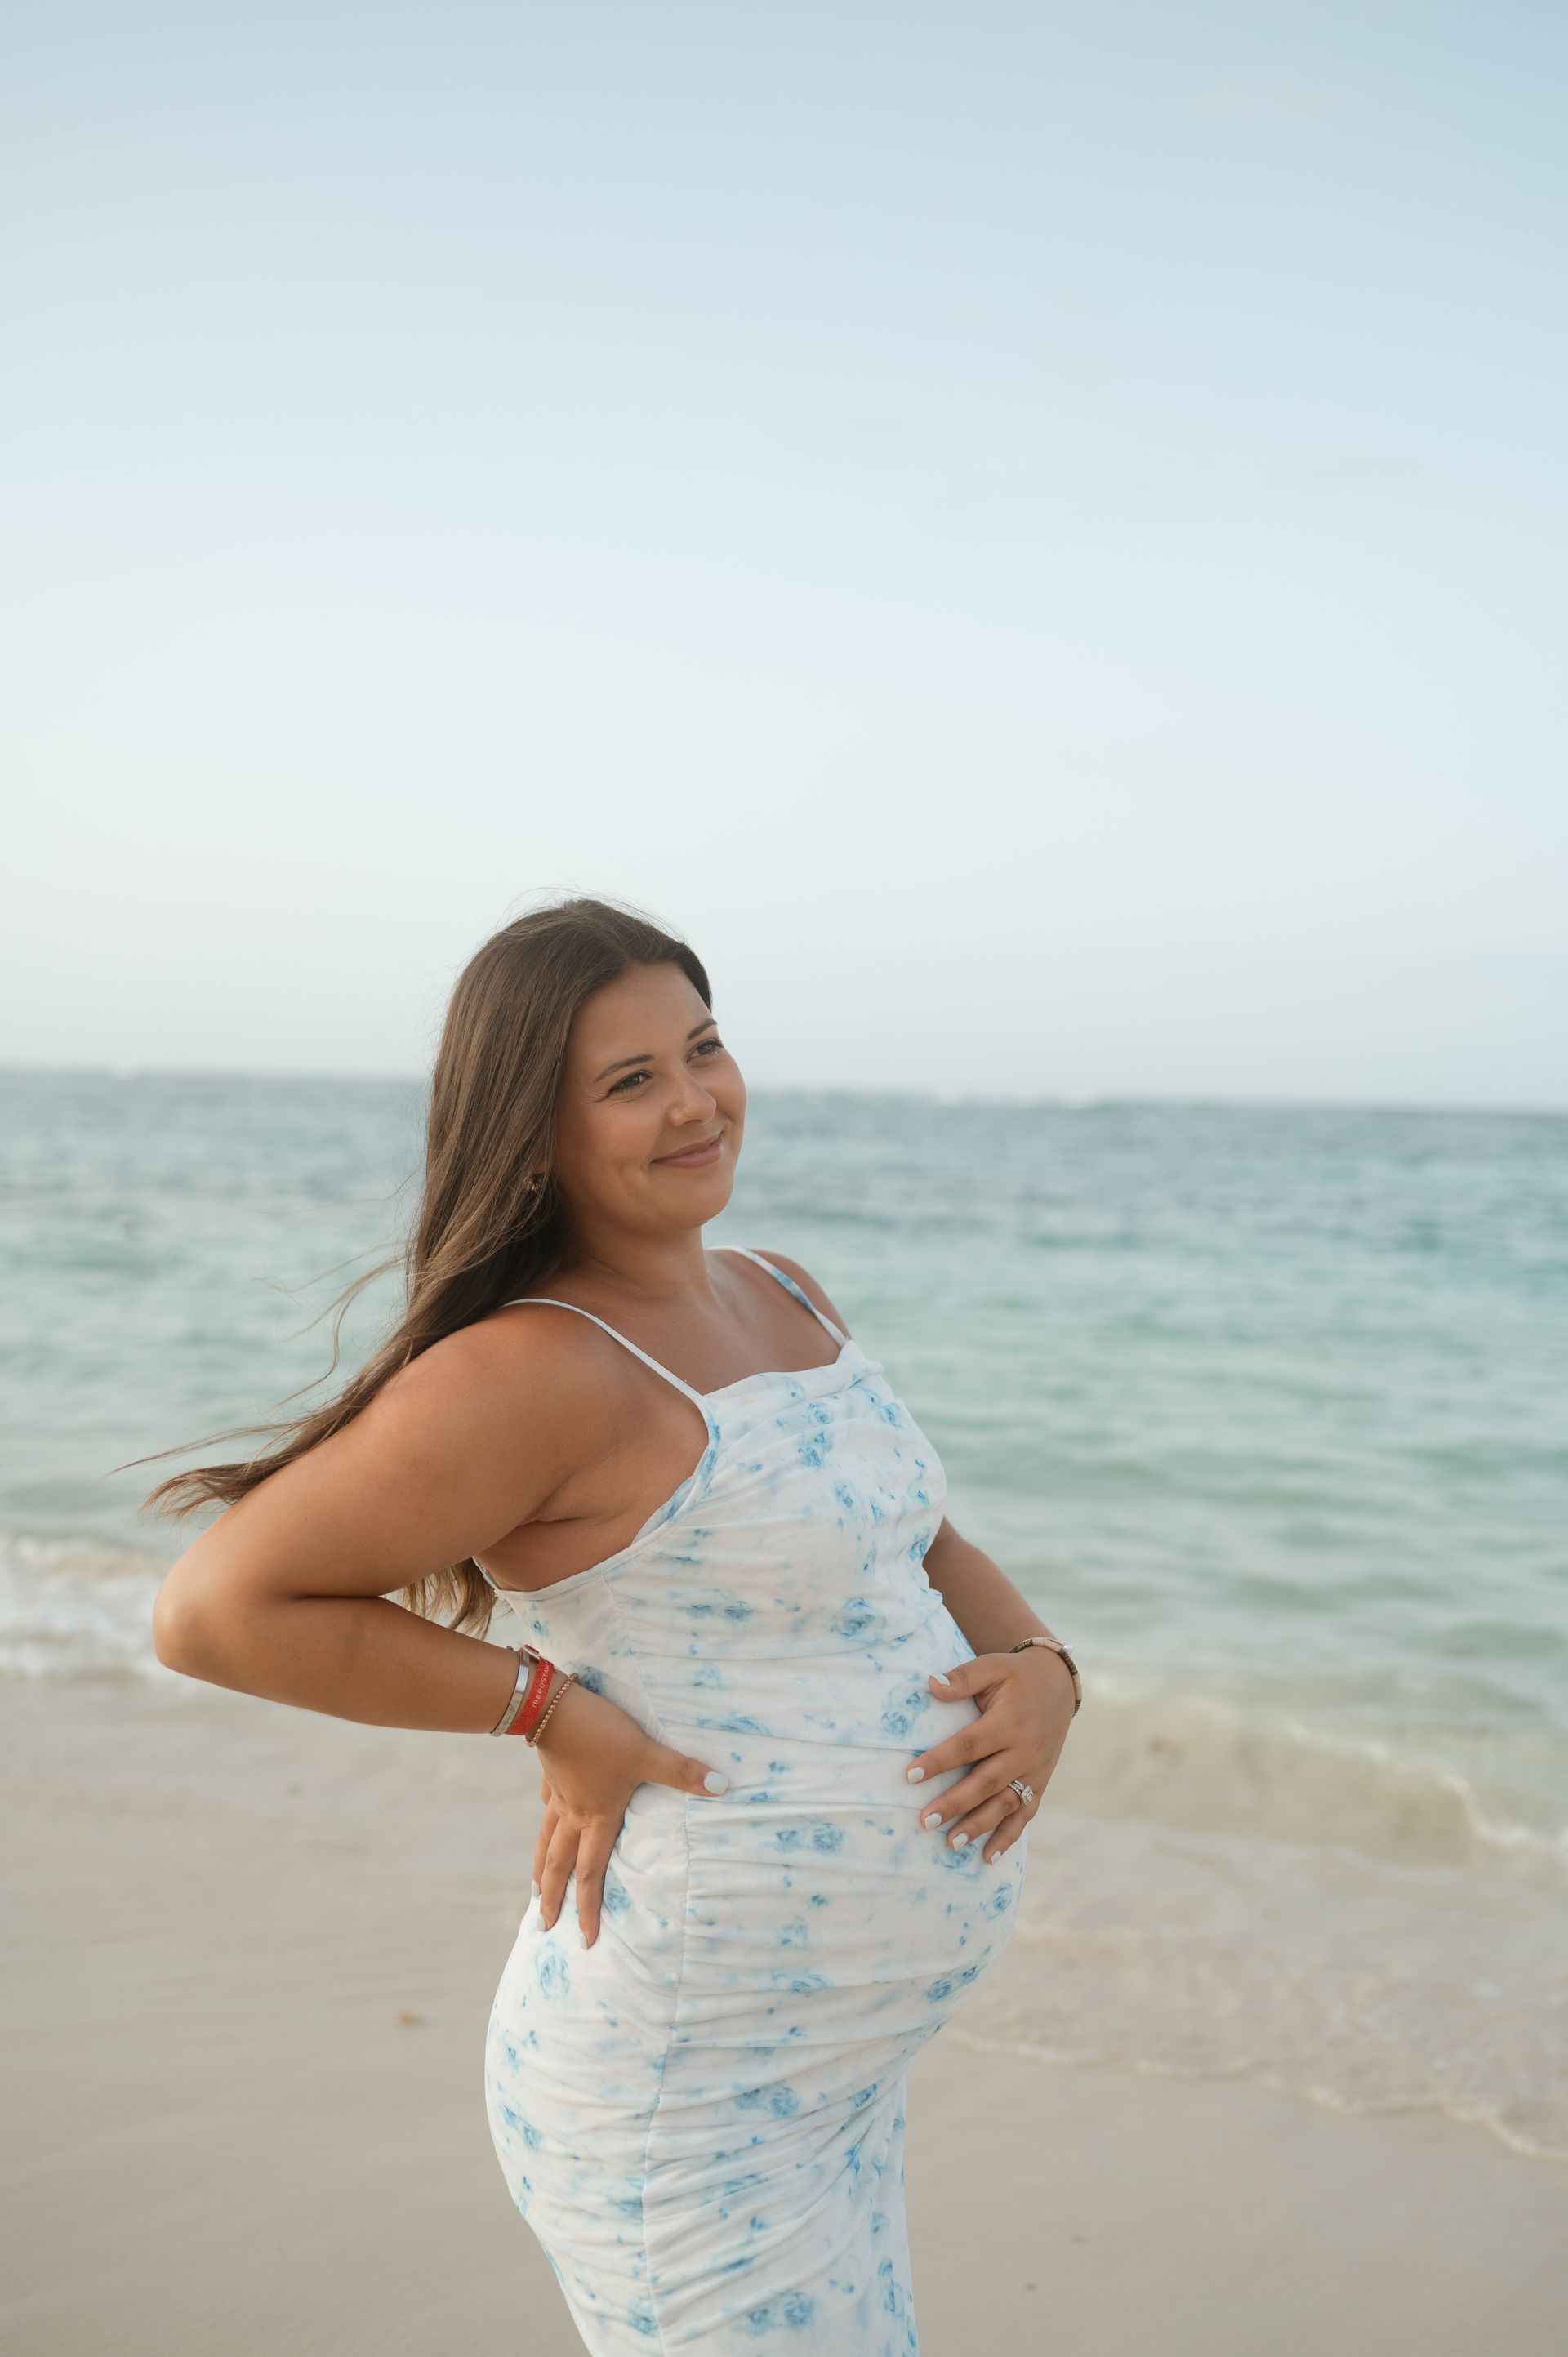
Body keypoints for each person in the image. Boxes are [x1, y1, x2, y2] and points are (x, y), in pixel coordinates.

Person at [149, 894, 1080, 2355]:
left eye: (703, 1048)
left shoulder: (784, 1290)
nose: (696, 1100)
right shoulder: (535, 1370)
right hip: (686, 2103)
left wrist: (1043, 1667)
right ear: (534, 1134)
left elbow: (918, 1536)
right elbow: (217, 1610)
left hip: (827, 2074)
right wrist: (548, 1711)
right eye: (630, 1081)